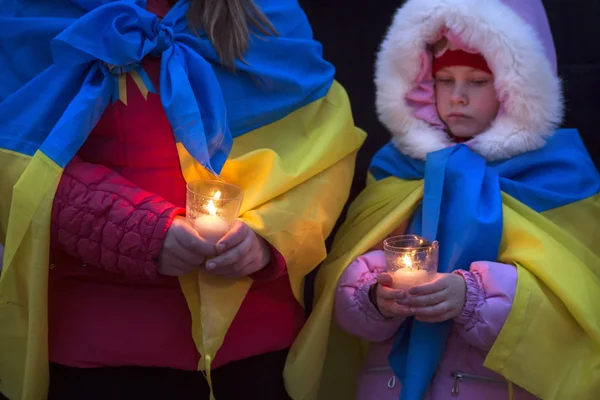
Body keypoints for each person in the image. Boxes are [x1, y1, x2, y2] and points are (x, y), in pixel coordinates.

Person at [0, 0, 365, 399]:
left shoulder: (268, 11)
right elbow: (14, 160)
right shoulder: (33, 12)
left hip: (254, 351)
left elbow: (321, 149)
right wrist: (141, 232)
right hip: (101, 353)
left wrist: (266, 237)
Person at [287, 0, 600, 399]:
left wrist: (473, 298)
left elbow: (574, 305)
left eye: (478, 81)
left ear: (516, 86)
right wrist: (374, 293)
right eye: (444, 80)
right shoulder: (398, 169)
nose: (457, 97)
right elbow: (342, 285)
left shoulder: (558, 176)